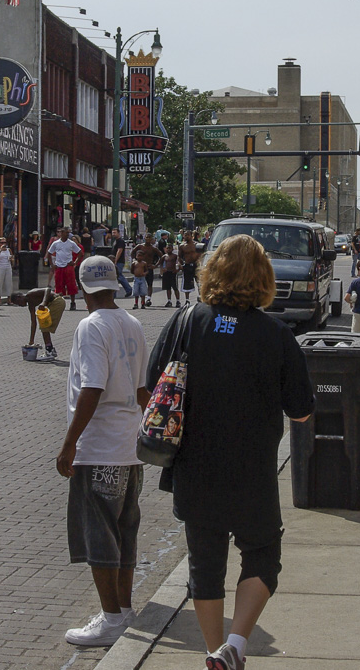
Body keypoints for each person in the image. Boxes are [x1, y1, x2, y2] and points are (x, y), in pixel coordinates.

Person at [146, 234, 314, 670]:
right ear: (263, 278)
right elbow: (301, 411)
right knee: (263, 555)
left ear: (211, 272)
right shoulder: (276, 335)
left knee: (205, 566)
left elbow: (151, 385)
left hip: (194, 466)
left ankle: (212, 650)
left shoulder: (186, 322)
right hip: (252, 470)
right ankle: (235, 646)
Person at [58, 255, 151, 648]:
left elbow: (92, 388)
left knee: (99, 535)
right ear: (116, 285)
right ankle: (124, 609)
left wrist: (68, 445)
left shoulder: (90, 326)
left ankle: (112, 617)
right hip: (129, 448)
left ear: (82, 288)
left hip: (99, 450)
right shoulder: (132, 324)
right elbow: (145, 389)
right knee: (124, 532)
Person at [13, 285, 66, 360]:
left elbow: (47, 289)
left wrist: (43, 303)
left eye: (18, 303)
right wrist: (31, 341)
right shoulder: (31, 305)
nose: (20, 305)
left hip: (57, 301)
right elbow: (33, 323)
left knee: (45, 327)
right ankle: (50, 349)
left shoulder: (30, 294)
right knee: (44, 326)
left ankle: (49, 351)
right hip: (52, 304)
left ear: (19, 296)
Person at [47, 227, 84, 311]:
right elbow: (49, 253)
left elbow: (80, 253)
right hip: (59, 266)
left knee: (71, 285)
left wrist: (74, 262)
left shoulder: (71, 243)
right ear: (61, 233)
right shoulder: (56, 243)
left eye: (68, 233)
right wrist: (52, 265)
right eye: (66, 233)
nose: (67, 234)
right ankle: (59, 303)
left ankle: (73, 302)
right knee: (59, 285)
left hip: (68, 266)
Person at [134, 237, 162, 307]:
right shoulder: (140, 246)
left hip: (149, 267)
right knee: (139, 284)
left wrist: (155, 265)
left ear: (151, 240)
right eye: (146, 238)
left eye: (149, 238)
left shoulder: (153, 248)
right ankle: (139, 301)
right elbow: (133, 252)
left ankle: (148, 298)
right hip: (141, 268)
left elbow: (161, 256)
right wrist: (135, 261)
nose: (148, 240)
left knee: (149, 284)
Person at [179, 231, 200, 306]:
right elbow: (179, 257)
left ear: (191, 236)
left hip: (196, 265)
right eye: (185, 235)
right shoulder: (182, 246)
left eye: (188, 235)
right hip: (187, 265)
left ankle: (201, 297)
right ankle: (187, 300)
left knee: (199, 282)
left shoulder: (197, 245)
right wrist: (181, 264)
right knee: (187, 283)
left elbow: (202, 255)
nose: (186, 236)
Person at [0, 236, 14, 303]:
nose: (4, 244)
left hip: (7, 267)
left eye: (5, 242)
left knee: (9, 283)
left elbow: (12, 257)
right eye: (2, 242)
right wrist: (0, 250)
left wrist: (12, 259)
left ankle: (9, 299)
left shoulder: (8, 250)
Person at [160, 243, 180, 308]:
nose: (168, 249)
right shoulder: (164, 256)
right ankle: (169, 301)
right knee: (168, 288)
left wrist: (177, 270)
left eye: (169, 248)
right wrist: (162, 269)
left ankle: (178, 301)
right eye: (167, 248)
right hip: (166, 273)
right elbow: (159, 263)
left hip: (173, 273)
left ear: (172, 249)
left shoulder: (175, 256)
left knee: (175, 287)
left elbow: (179, 263)